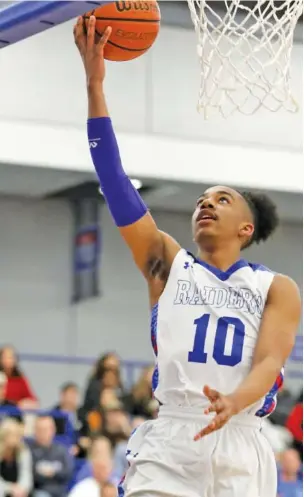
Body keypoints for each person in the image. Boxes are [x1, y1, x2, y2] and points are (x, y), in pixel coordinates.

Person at [73, 16, 301, 497]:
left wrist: (235, 400)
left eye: (221, 199)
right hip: (173, 437)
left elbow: (268, 363)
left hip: (241, 440)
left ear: (246, 227)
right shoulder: (166, 264)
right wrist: (95, 85)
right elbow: (114, 182)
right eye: (201, 198)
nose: (205, 204)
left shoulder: (276, 288)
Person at [29, 416, 73, 497]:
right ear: (34, 431)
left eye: (45, 429)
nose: (42, 433)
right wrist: (54, 474)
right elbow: (31, 475)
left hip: (61, 492)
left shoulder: (62, 450)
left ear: (53, 430)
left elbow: (68, 473)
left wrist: (52, 473)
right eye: (39, 430)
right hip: (39, 491)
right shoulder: (29, 451)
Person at [0, 418, 32, 497]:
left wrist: (21, 489)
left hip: (19, 493)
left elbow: (26, 475)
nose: (17, 438)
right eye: (13, 435)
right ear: (4, 435)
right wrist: (10, 488)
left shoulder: (23, 450)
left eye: (18, 435)